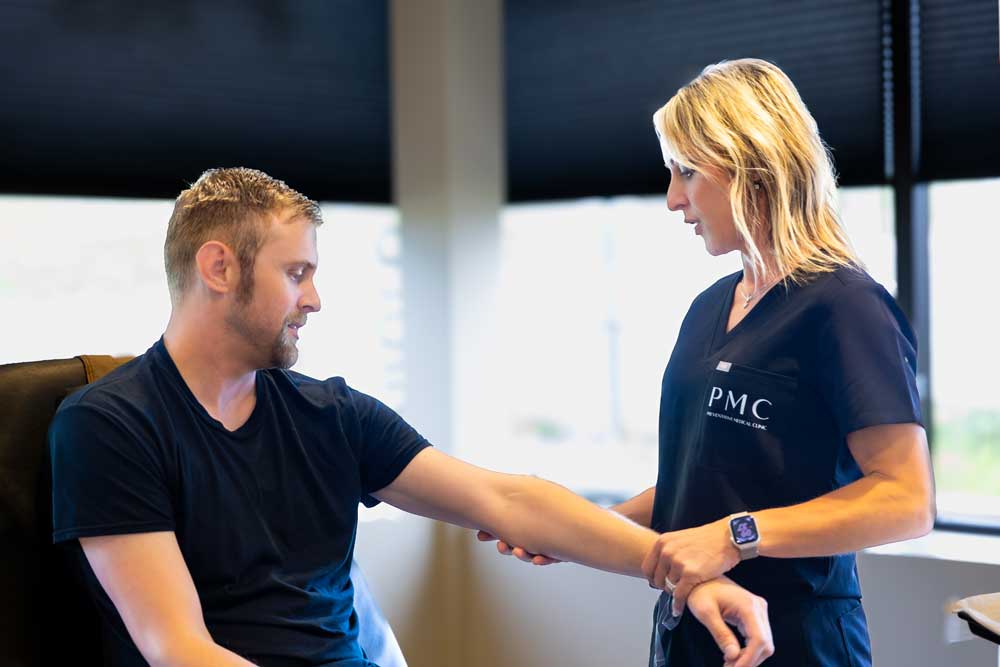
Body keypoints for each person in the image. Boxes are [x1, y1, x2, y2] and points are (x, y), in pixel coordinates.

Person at [49, 167, 774, 667]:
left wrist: (673, 567)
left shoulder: (329, 413)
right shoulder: (110, 426)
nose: (315, 299)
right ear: (218, 268)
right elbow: (180, 648)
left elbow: (507, 498)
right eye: (296, 272)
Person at [484, 58, 935, 667]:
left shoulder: (844, 305)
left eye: (687, 172)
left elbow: (905, 501)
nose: (674, 199)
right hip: (685, 631)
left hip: (795, 641)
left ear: (754, 168)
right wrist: (586, 528)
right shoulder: (707, 308)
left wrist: (735, 537)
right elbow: (699, 484)